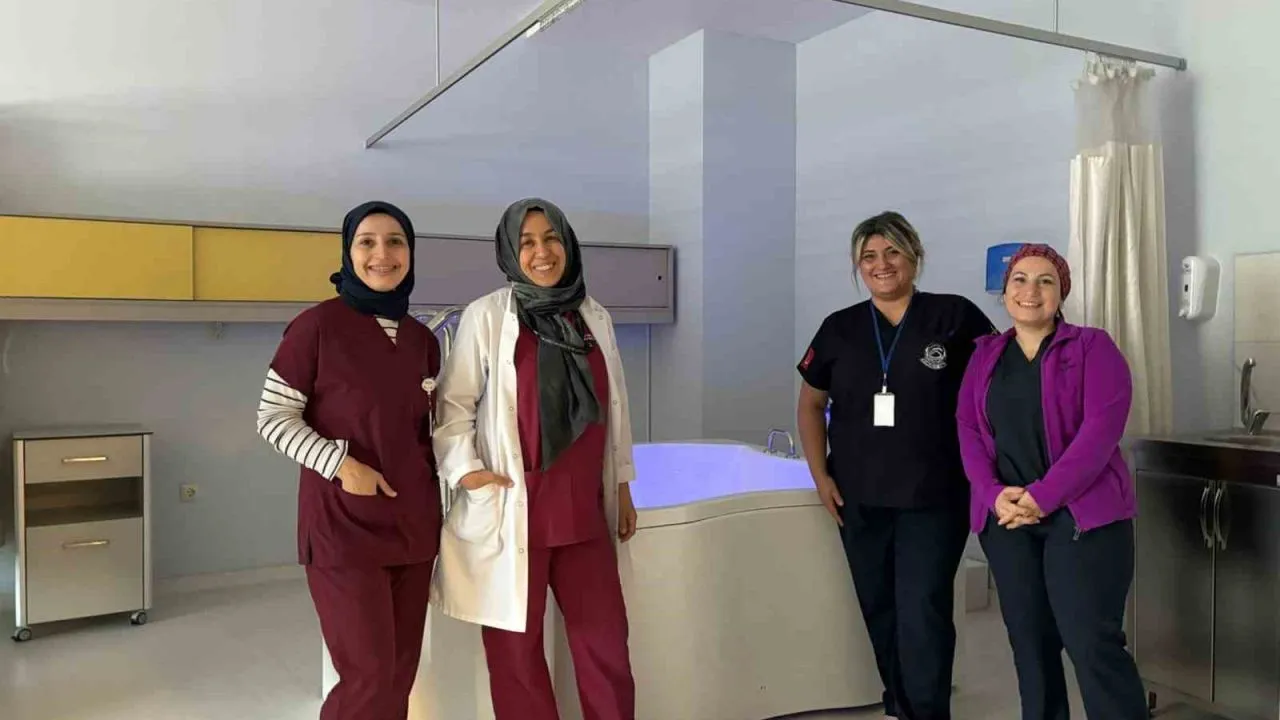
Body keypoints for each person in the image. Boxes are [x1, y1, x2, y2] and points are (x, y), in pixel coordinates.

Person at [432, 197, 638, 720]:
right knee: (516, 658)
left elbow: (615, 406)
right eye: (527, 242)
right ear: (509, 251)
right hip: (512, 507)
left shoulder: (594, 316)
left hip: (583, 509)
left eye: (551, 238)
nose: (542, 252)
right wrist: (466, 472)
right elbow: (452, 406)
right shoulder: (487, 316)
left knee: (606, 647)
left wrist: (621, 485)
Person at [796, 211, 994, 720]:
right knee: (879, 607)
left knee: (923, 608)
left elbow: (996, 388)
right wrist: (820, 476)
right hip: (858, 494)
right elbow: (811, 404)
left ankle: (926, 711)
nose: (881, 264)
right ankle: (901, 704)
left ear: (915, 256)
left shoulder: (954, 316)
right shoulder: (839, 328)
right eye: (868, 256)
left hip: (935, 494)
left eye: (892, 252)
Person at [255, 201, 442, 720]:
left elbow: (428, 432)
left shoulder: (423, 341)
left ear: (410, 252)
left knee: (398, 675)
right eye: (367, 242)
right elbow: (272, 418)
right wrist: (341, 465)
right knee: (368, 677)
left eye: (396, 241)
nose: (383, 253)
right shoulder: (315, 327)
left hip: (413, 528)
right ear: (348, 252)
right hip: (343, 528)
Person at [956, 243, 1148, 719]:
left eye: (1046, 280)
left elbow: (1100, 433)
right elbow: (968, 428)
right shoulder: (985, 356)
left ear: (1061, 293)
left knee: (1091, 643)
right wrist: (992, 494)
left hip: (1082, 519)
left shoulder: (1092, 348)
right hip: (1009, 521)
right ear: (1005, 292)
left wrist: (1042, 497)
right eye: (1019, 279)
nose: (1031, 290)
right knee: (1031, 646)